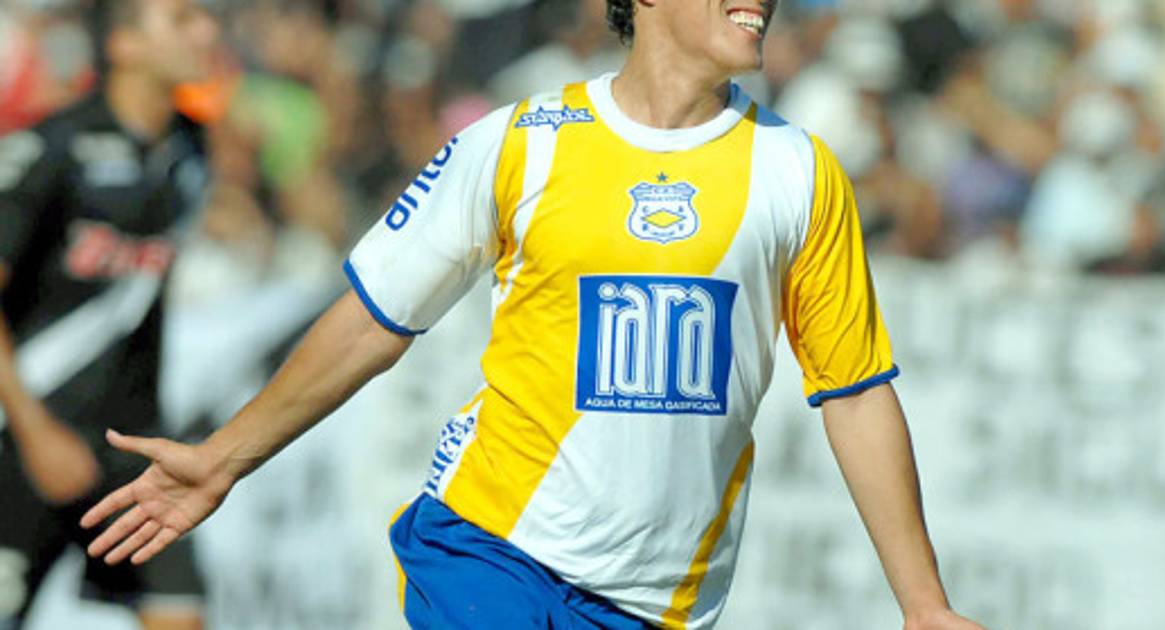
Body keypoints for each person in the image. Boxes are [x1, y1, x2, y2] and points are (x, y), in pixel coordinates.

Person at [82, 1, 986, 628]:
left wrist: (922, 605)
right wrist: (222, 459)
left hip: (661, 600)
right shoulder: (517, 141)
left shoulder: (799, 171)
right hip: (491, 548)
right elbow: (372, 319)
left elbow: (854, 391)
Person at [0, 1, 216, 628]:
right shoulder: (49, 149)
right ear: (125, 44)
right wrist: (37, 434)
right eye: (182, 19)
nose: (206, 30)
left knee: (180, 614)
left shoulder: (191, 148)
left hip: (133, 447)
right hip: (25, 441)